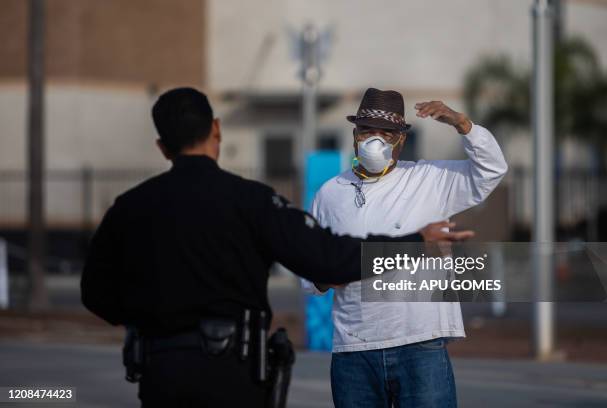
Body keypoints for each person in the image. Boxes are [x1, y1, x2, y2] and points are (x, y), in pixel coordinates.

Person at [80, 87, 473, 408]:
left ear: (162, 147)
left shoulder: (130, 207)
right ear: (216, 131)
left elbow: (95, 292)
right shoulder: (253, 202)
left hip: (161, 370)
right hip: (232, 373)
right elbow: (329, 260)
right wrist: (415, 242)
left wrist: (151, 322)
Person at [302, 88, 508, 408]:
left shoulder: (430, 178)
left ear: (401, 140)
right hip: (355, 349)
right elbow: (310, 273)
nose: (375, 141)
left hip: (420, 344)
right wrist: (328, 274)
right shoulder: (330, 194)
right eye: (367, 131)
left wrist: (462, 124)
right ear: (355, 135)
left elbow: (491, 170)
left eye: (386, 133)